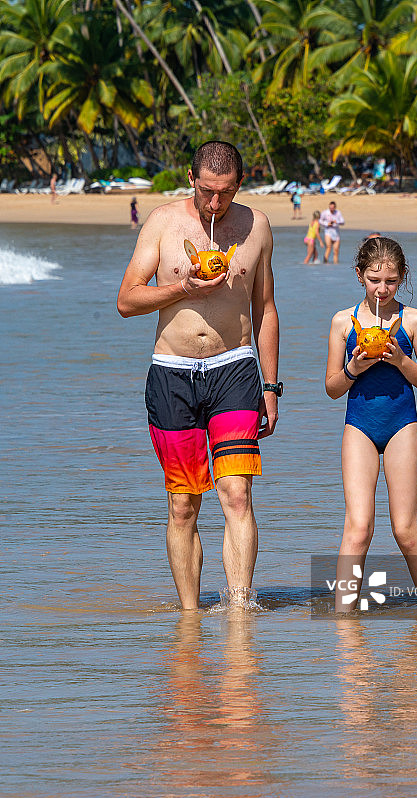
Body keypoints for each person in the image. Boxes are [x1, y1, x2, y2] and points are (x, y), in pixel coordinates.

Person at [117, 141, 281, 611]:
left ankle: (240, 612)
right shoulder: (164, 223)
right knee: (184, 505)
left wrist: (271, 386)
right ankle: (189, 617)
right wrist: (181, 287)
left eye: (226, 193)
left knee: (236, 493)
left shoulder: (256, 226)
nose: (215, 203)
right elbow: (127, 301)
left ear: (240, 184)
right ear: (191, 178)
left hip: (234, 368)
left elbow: (265, 309)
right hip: (172, 373)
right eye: (207, 191)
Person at [325, 236, 417, 612]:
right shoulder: (344, 322)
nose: (382, 288)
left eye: (390, 281)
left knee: (405, 530)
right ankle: (344, 616)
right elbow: (332, 388)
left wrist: (401, 362)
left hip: (402, 426)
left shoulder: (414, 320)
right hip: (358, 426)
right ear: (360, 276)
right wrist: (354, 367)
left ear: (402, 277)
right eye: (375, 279)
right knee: (358, 529)